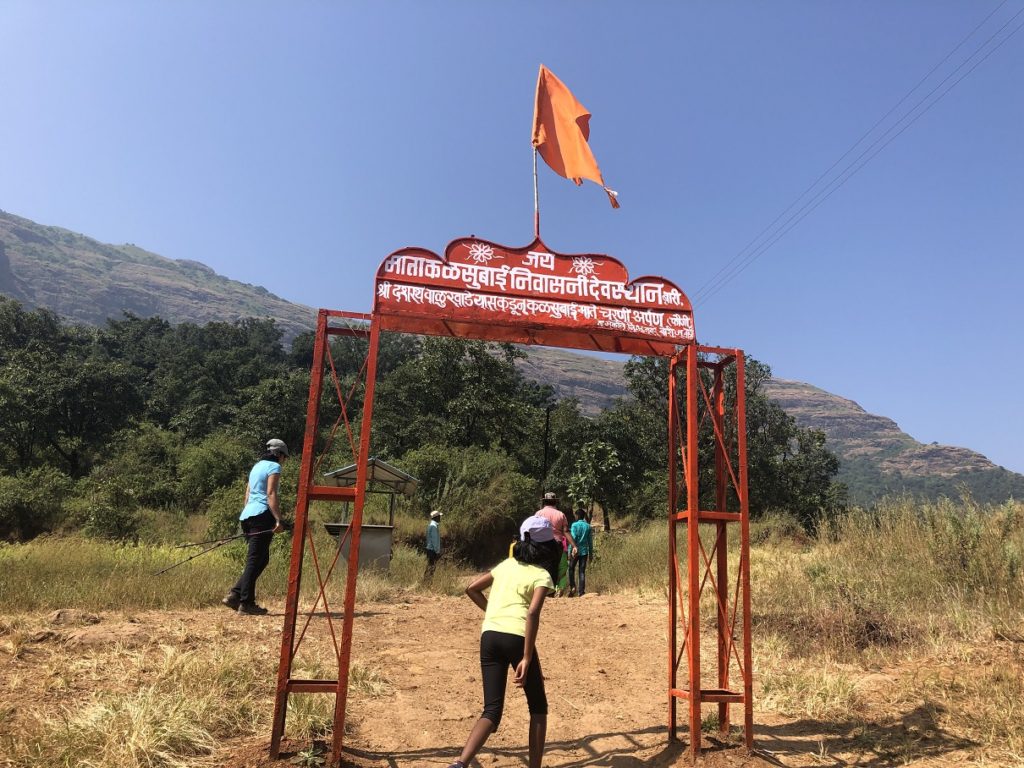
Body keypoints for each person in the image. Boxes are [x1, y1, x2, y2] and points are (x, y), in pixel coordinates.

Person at [448, 515, 560, 768]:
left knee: (492, 710)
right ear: (546, 547)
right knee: (538, 707)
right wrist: (527, 656)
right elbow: (531, 613)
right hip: (517, 638)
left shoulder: (505, 566)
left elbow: (472, 589)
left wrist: (492, 613)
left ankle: (460, 763)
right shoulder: (542, 575)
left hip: (489, 636)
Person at [222, 438, 288, 615]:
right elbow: (271, 493)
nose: (284, 461)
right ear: (280, 455)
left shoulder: (256, 466)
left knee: (261, 559)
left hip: (248, 515)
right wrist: (278, 520)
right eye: (285, 457)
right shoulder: (274, 467)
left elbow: (248, 492)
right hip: (262, 515)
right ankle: (246, 603)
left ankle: (235, 595)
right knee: (254, 560)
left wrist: (248, 513)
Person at [535, 492, 576, 596]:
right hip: (557, 545)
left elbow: (534, 529)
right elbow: (566, 531)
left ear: (544, 501)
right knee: (556, 567)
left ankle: (543, 592)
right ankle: (553, 591)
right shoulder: (560, 514)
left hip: (542, 544)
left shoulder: (538, 514)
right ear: (555, 502)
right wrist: (574, 546)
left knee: (543, 568)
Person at [568, 508, 593, 597]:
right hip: (584, 551)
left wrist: (570, 551)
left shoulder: (574, 525)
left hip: (575, 551)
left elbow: (573, 538)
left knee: (571, 568)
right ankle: (581, 592)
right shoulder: (588, 526)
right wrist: (591, 554)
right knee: (581, 571)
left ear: (577, 516)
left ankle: (572, 586)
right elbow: (590, 542)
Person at [425, 509, 443, 577]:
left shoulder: (431, 525)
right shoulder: (434, 526)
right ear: (436, 517)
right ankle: (427, 582)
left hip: (430, 550)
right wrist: (437, 552)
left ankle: (426, 581)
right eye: (439, 516)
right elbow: (434, 541)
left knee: (430, 566)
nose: (440, 518)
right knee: (431, 567)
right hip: (432, 551)